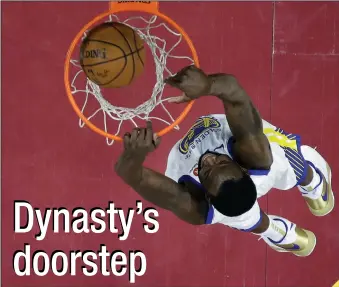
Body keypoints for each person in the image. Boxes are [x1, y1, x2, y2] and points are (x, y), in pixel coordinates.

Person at [115, 65, 334, 257]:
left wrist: (134, 155)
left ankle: (311, 187)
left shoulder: (200, 202)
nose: (210, 159)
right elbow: (235, 94)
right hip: (244, 165)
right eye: (220, 162)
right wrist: (208, 85)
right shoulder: (249, 160)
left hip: (249, 173)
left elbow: (129, 174)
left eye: (209, 171)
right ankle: (284, 222)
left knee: (283, 174)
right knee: (254, 209)